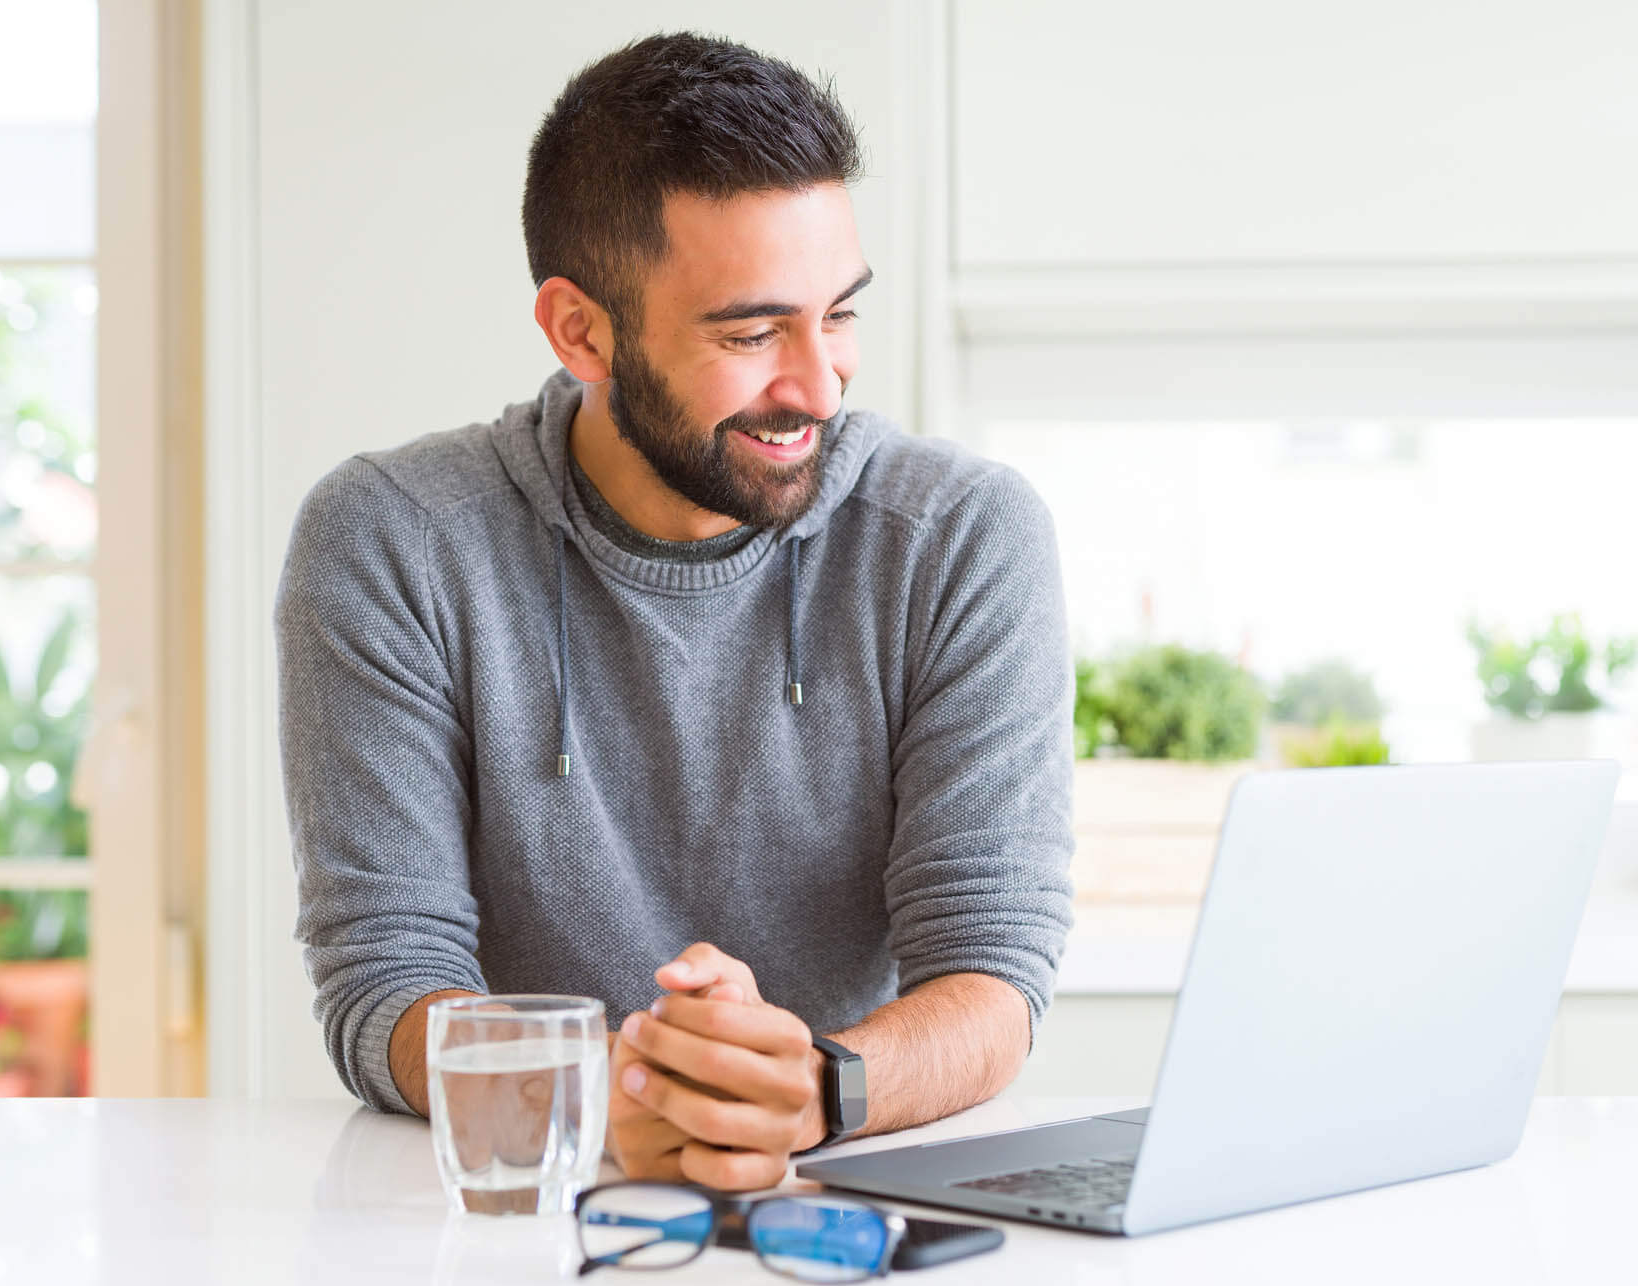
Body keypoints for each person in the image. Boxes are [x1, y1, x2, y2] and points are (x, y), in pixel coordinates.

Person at [275, 31, 1074, 1192]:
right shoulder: (391, 538)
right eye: (751, 333)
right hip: (527, 1217)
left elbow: (993, 971)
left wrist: (815, 1086)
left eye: (837, 314)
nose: (818, 382)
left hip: (843, 1206)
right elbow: (386, 981)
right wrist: (599, 1095)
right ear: (580, 330)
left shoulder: (960, 535)